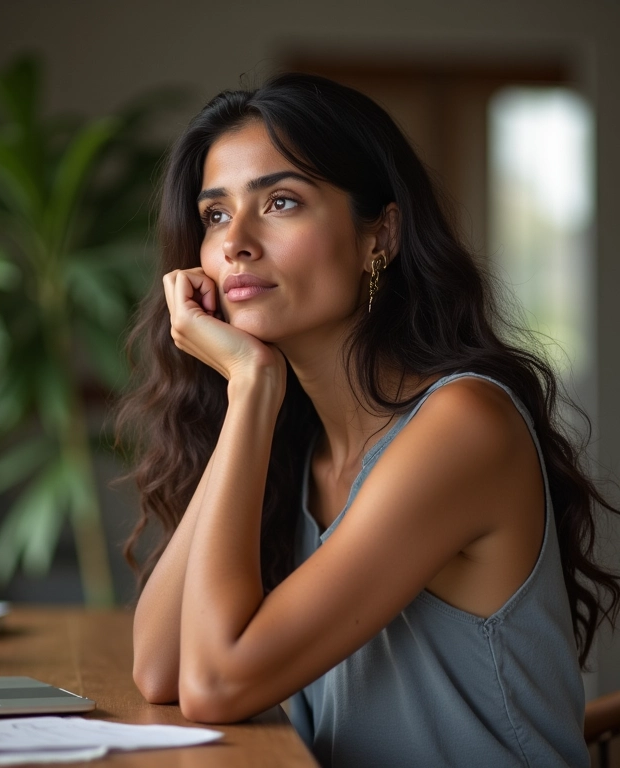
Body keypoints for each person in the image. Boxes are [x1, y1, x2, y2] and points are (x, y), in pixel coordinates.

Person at [115, 73, 619, 767]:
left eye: (281, 202)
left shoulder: (462, 426)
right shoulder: (300, 440)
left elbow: (214, 683)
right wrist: (252, 398)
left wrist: (254, 385)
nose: (236, 242)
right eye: (216, 216)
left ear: (378, 235)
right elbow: (161, 669)